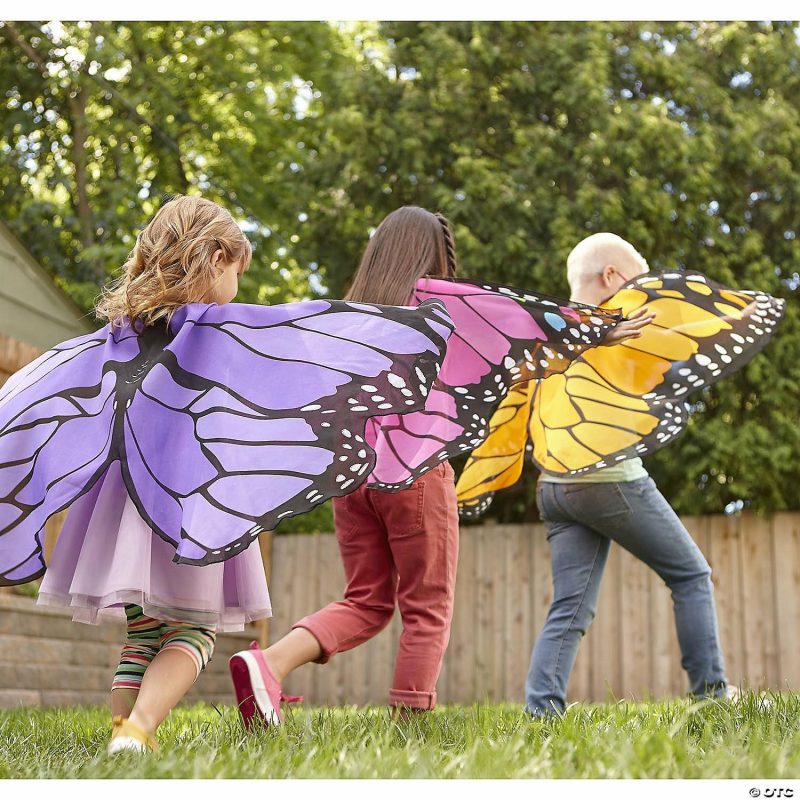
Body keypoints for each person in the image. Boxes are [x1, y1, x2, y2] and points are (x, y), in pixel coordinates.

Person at [0, 195, 457, 753]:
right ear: (217, 257)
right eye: (238, 271)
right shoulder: (220, 330)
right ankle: (139, 731)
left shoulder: (117, 334)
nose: (239, 287)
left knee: (141, 634)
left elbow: (60, 389)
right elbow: (274, 383)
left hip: (121, 508)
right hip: (189, 504)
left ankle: (121, 731)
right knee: (193, 631)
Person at [229, 210, 652, 728]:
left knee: (366, 600)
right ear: (432, 255)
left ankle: (268, 664)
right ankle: (411, 726)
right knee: (426, 607)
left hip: (352, 478)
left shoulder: (347, 313)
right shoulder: (440, 301)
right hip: (416, 477)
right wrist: (601, 328)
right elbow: (520, 317)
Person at [526, 232, 730, 716]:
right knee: (692, 575)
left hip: (554, 487)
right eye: (637, 282)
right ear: (612, 276)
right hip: (608, 481)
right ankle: (713, 695)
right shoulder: (612, 326)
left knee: (570, 607)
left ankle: (542, 711)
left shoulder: (548, 330)